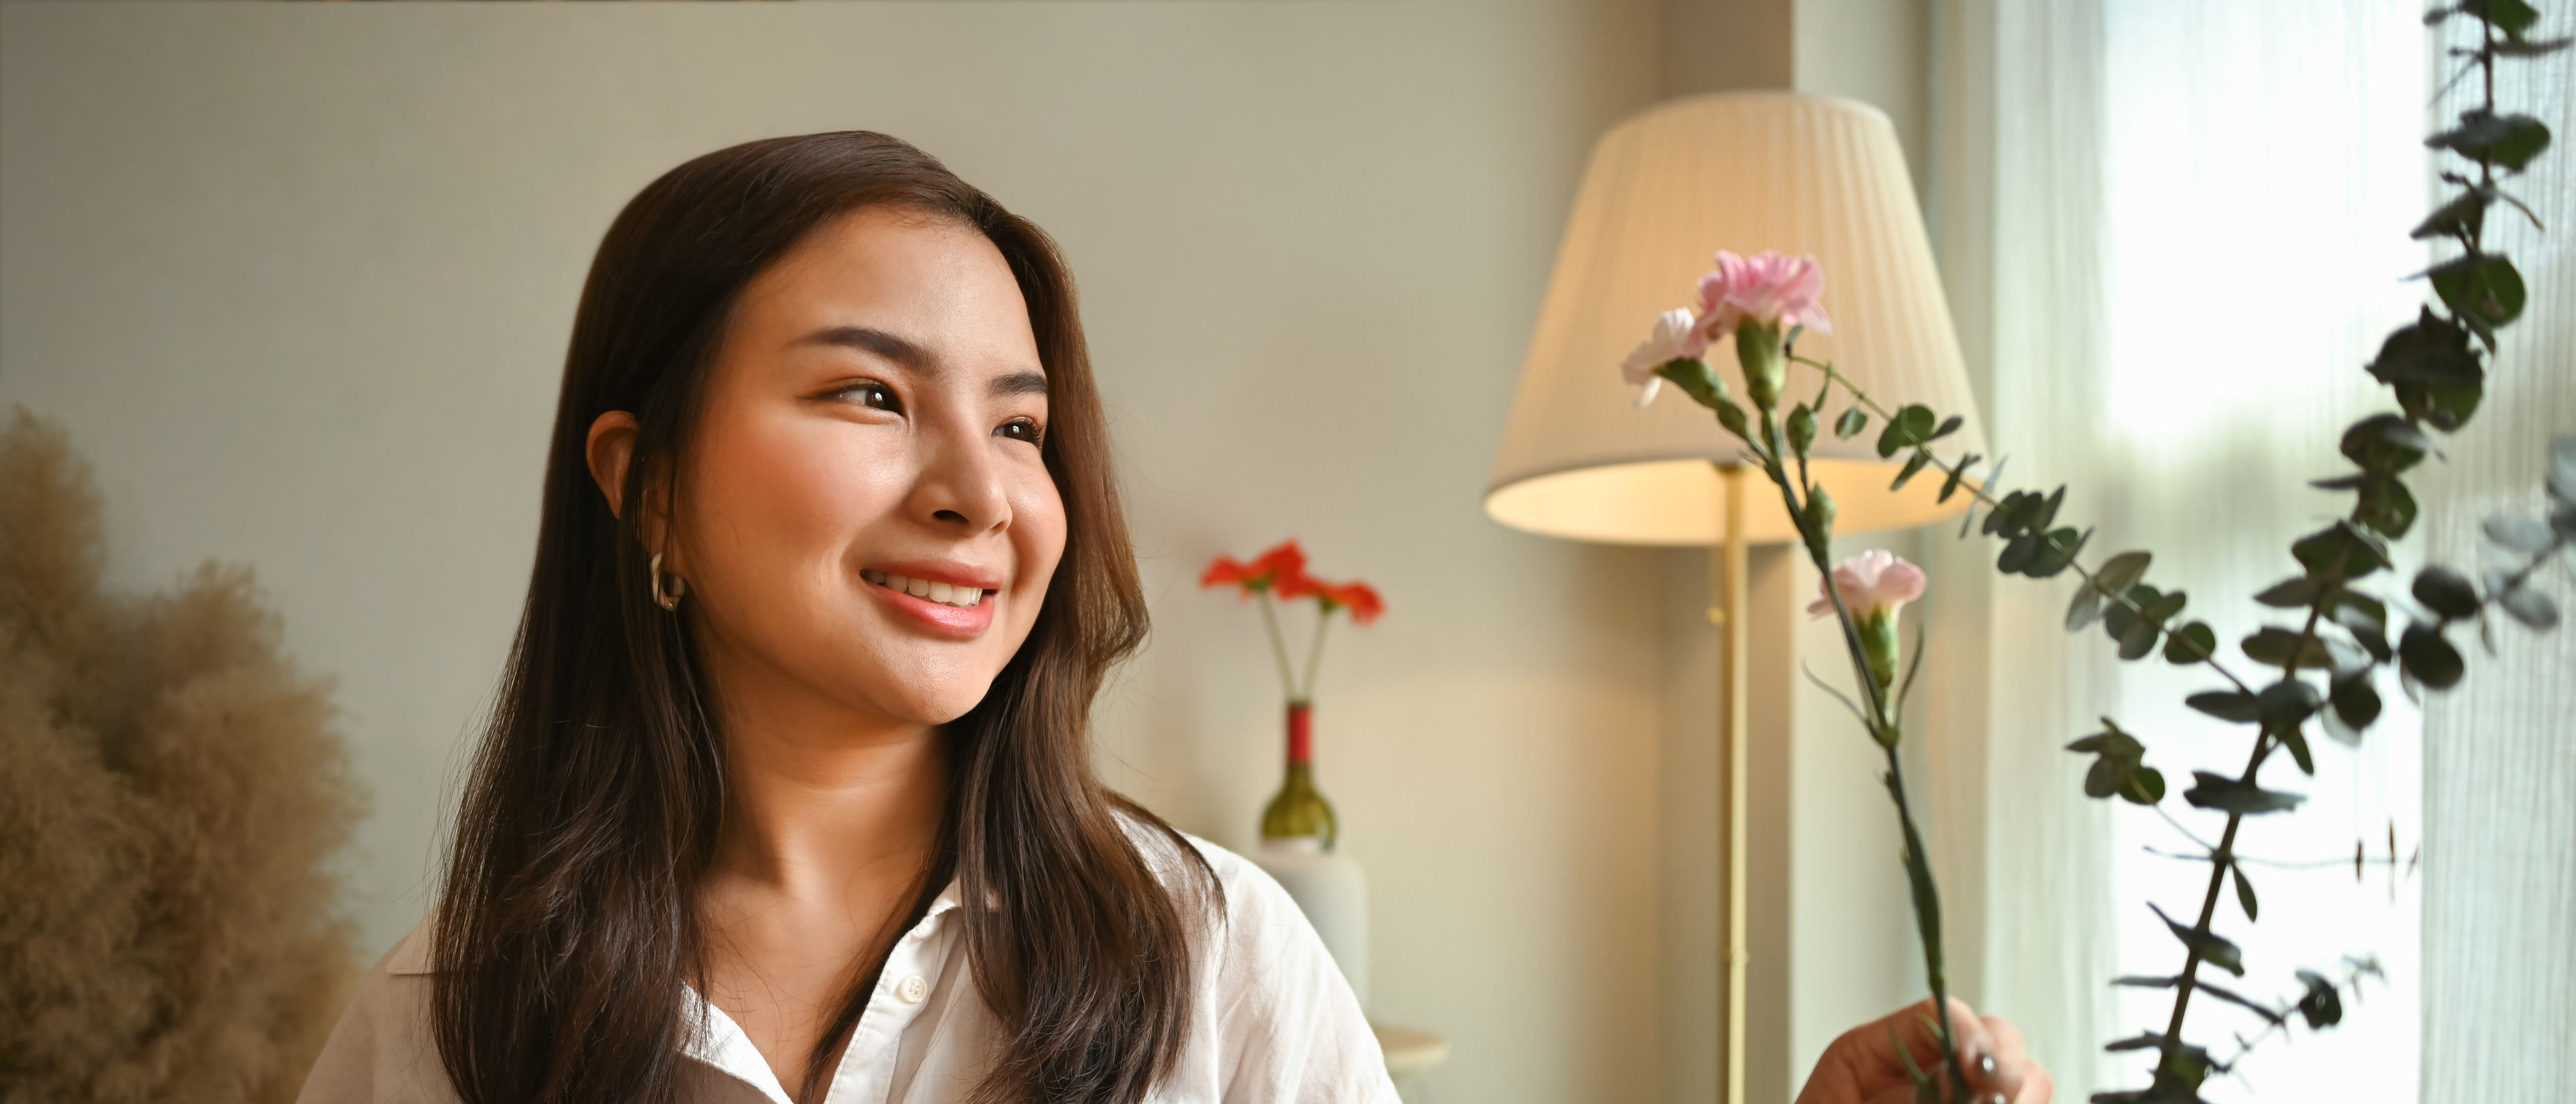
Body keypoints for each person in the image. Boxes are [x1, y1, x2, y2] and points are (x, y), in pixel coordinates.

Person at [295, 131, 2047, 1104]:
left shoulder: (1215, 958)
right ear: (646, 481)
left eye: (1021, 424)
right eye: (866, 397)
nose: (981, 495)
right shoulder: (450, 1014)